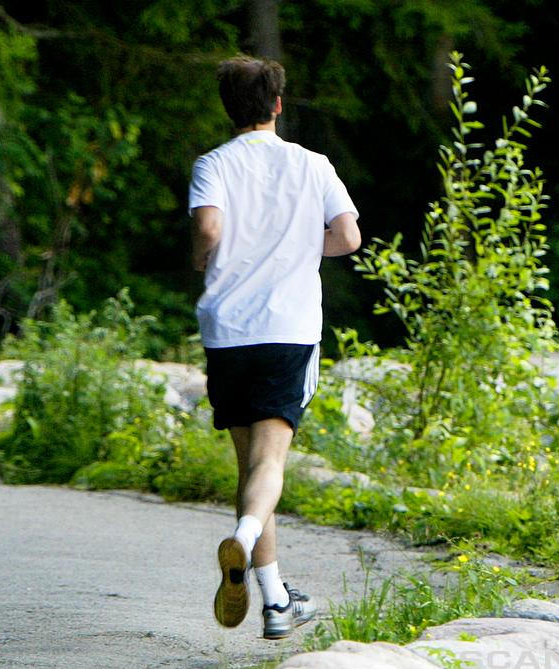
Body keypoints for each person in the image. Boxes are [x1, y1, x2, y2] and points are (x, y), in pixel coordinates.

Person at [188, 55, 362, 639]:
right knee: (269, 464)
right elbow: (348, 236)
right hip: (287, 328)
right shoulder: (312, 164)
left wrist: (202, 258)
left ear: (228, 108)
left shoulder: (212, 164)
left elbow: (210, 230)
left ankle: (275, 600)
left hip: (228, 331)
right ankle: (242, 541)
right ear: (278, 105)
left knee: (248, 468)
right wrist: (298, 246)